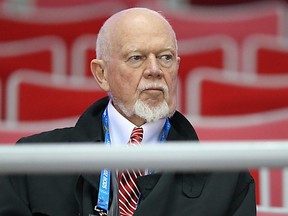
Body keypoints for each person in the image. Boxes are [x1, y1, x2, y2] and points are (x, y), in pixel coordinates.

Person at [0, 7, 256, 216]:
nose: (155, 69)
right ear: (102, 74)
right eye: (137, 58)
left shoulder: (227, 178)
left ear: (177, 67)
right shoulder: (33, 163)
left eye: (165, 57)